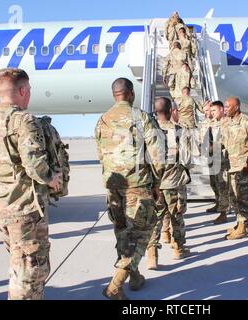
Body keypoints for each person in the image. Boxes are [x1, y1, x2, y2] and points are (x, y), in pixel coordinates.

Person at [0, 68, 62, 299]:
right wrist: (51, 178)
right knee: (29, 271)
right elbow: (34, 164)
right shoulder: (24, 121)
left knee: (22, 264)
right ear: (23, 90)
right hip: (23, 210)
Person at [95, 78, 165, 300]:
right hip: (137, 186)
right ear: (131, 94)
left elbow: (101, 155)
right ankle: (115, 286)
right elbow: (158, 156)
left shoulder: (102, 120)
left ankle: (133, 277)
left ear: (114, 94)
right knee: (142, 234)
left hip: (113, 188)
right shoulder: (140, 117)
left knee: (123, 234)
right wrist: (157, 184)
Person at [146, 97, 191, 270]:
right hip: (174, 183)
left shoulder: (147, 131)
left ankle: (152, 256)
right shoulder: (179, 130)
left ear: (156, 111)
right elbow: (187, 159)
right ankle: (179, 249)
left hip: (154, 185)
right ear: (171, 109)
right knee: (177, 217)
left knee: (154, 220)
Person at [222, 97, 248, 240]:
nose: (225, 109)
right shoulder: (226, 122)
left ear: (237, 107)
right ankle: (240, 223)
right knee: (233, 197)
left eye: (228, 107)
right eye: (225, 106)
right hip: (230, 167)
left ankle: (242, 226)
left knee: (243, 197)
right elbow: (223, 142)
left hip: (244, 167)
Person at [207, 101, 230, 224]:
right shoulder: (213, 123)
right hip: (214, 158)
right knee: (215, 183)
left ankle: (223, 213)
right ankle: (218, 204)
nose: (212, 113)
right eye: (211, 111)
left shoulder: (227, 123)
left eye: (214, 110)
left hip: (224, 160)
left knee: (223, 186)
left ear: (221, 110)